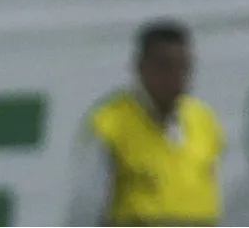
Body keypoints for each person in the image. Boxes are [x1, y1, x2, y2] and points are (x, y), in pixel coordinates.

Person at [67, 19, 224, 226]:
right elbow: (84, 207)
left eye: (183, 68)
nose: (176, 78)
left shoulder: (204, 121)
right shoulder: (110, 123)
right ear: (140, 68)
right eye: (165, 67)